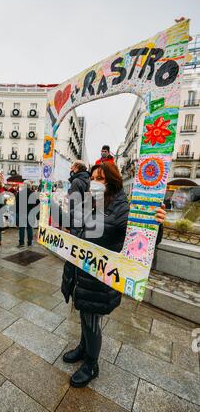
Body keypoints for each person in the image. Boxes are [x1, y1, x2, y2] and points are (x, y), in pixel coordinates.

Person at [61, 162, 166, 388]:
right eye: (93, 178)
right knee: (83, 314)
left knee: (91, 320)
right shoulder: (89, 202)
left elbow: (142, 239)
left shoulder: (121, 208)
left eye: (101, 178)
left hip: (98, 278)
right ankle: (83, 347)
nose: (95, 182)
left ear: (112, 182)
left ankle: (91, 364)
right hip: (80, 271)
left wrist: (155, 224)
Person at [16, 182, 38, 248]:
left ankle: (21, 243)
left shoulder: (20, 193)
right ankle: (30, 242)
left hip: (22, 212)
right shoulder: (33, 194)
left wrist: (17, 212)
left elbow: (17, 204)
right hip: (30, 213)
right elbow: (36, 203)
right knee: (29, 228)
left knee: (22, 228)